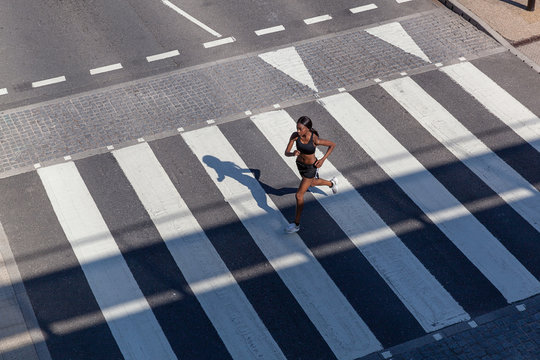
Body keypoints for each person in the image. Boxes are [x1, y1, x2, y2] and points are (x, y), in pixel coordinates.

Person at [284, 116, 338, 233]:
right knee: (312, 184)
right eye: (297, 128)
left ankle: (296, 224)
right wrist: (292, 153)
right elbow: (286, 153)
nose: (298, 131)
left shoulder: (314, 139)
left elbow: (332, 145)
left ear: (307, 129)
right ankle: (331, 183)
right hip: (300, 165)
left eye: (300, 129)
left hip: (311, 168)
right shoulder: (295, 136)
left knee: (299, 195)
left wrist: (323, 159)